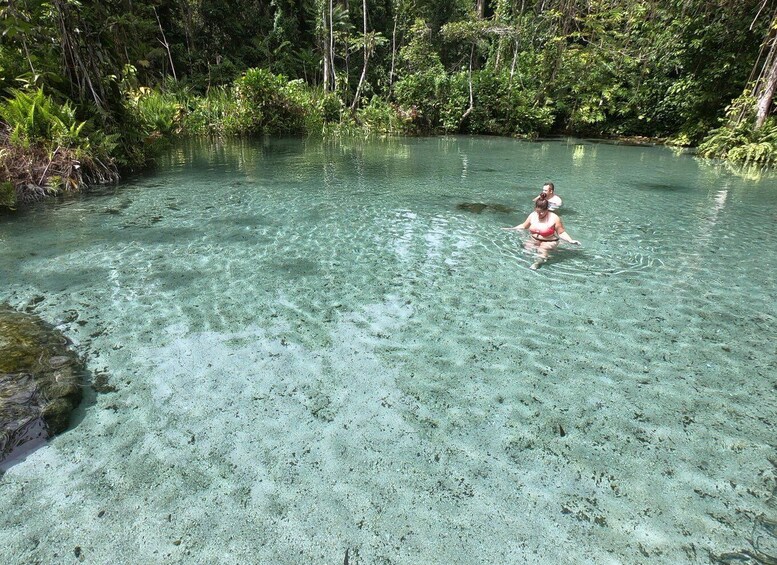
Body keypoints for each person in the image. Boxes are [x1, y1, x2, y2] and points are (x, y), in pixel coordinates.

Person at [503, 193, 580, 269]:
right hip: (534, 239)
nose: (539, 214)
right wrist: (511, 229)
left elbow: (561, 232)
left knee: (542, 250)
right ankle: (541, 258)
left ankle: (537, 263)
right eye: (538, 212)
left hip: (549, 241)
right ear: (535, 209)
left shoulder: (554, 218)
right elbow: (523, 226)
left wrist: (570, 240)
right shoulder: (533, 215)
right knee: (527, 251)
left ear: (547, 209)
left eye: (542, 212)